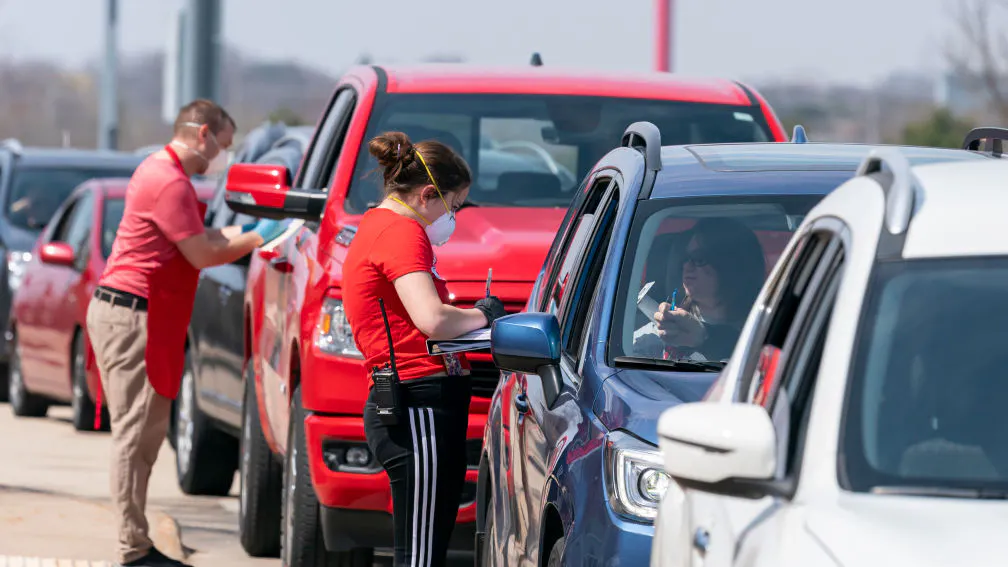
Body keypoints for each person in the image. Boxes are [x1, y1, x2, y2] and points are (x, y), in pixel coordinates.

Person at [85, 99, 287, 567]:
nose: (222, 156)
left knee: (146, 434)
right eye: (223, 145)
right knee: (134, 437)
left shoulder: (164, 174)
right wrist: (259, 236)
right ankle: (132, 548)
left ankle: (135, 543)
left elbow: (203, 238)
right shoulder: (169, 182)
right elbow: (202, 254)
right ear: (203, 134)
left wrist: (246, 229)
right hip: (133, 315)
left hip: (140, 315)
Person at [342, 131, 506, 567]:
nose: (452, 217)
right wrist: (484, 315)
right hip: (417, 402)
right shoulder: (401, 232)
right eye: (453, 206)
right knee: (419, 557)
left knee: (424, 551)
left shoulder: (383, 226)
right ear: (428, 194)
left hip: (420, 400)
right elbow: (432, 318)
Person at [651, 217, 765, 361]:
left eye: (699, 259)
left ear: (733, 267)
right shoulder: (662, 328)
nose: (686, 266)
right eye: (685, 258)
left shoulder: (766, 330)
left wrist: (704, 337)